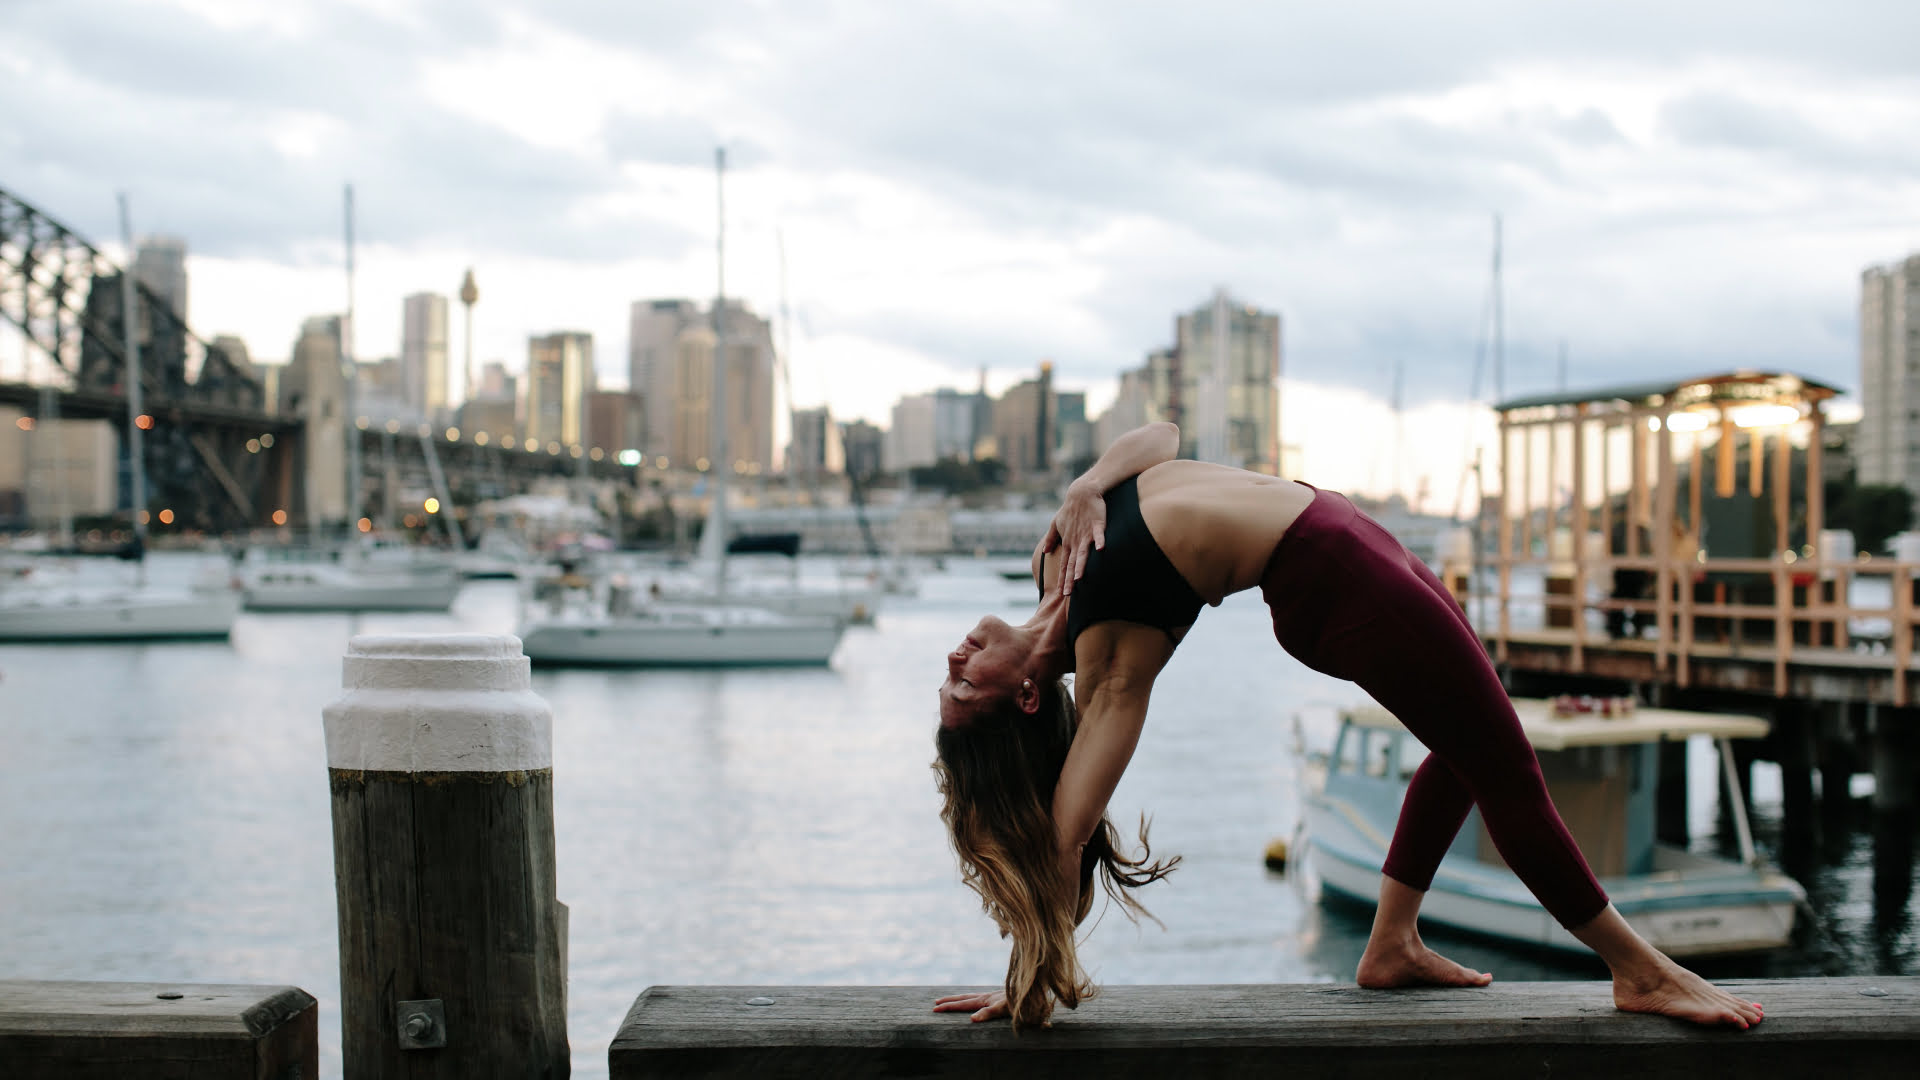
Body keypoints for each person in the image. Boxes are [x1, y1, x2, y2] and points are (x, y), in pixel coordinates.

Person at [930, 422, 1763, 1031]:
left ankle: (1392, 943)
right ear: (1028, 701)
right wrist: (1028, 976)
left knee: (1472, 741)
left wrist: (1086, 482)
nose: (957, 659)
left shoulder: (1058, 552)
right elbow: (1065, 843)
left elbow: (1164, 434)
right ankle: (1639, 970)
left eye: (948, 673)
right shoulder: (1114, 666)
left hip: (1351, 533)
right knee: (1507, 769)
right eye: (964, 687)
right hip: (1335, 581)